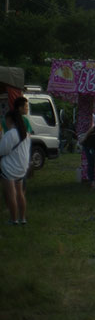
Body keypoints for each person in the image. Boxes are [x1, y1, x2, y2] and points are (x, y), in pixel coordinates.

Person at [1, 96, 32, 225]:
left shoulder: (10, 134)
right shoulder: (25, 134)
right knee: (20, 193)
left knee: (11, 194)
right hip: (21, 168)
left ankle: (13, 219)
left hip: (10, 168)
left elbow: (2, 151)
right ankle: (23, 218)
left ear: (10, 120)